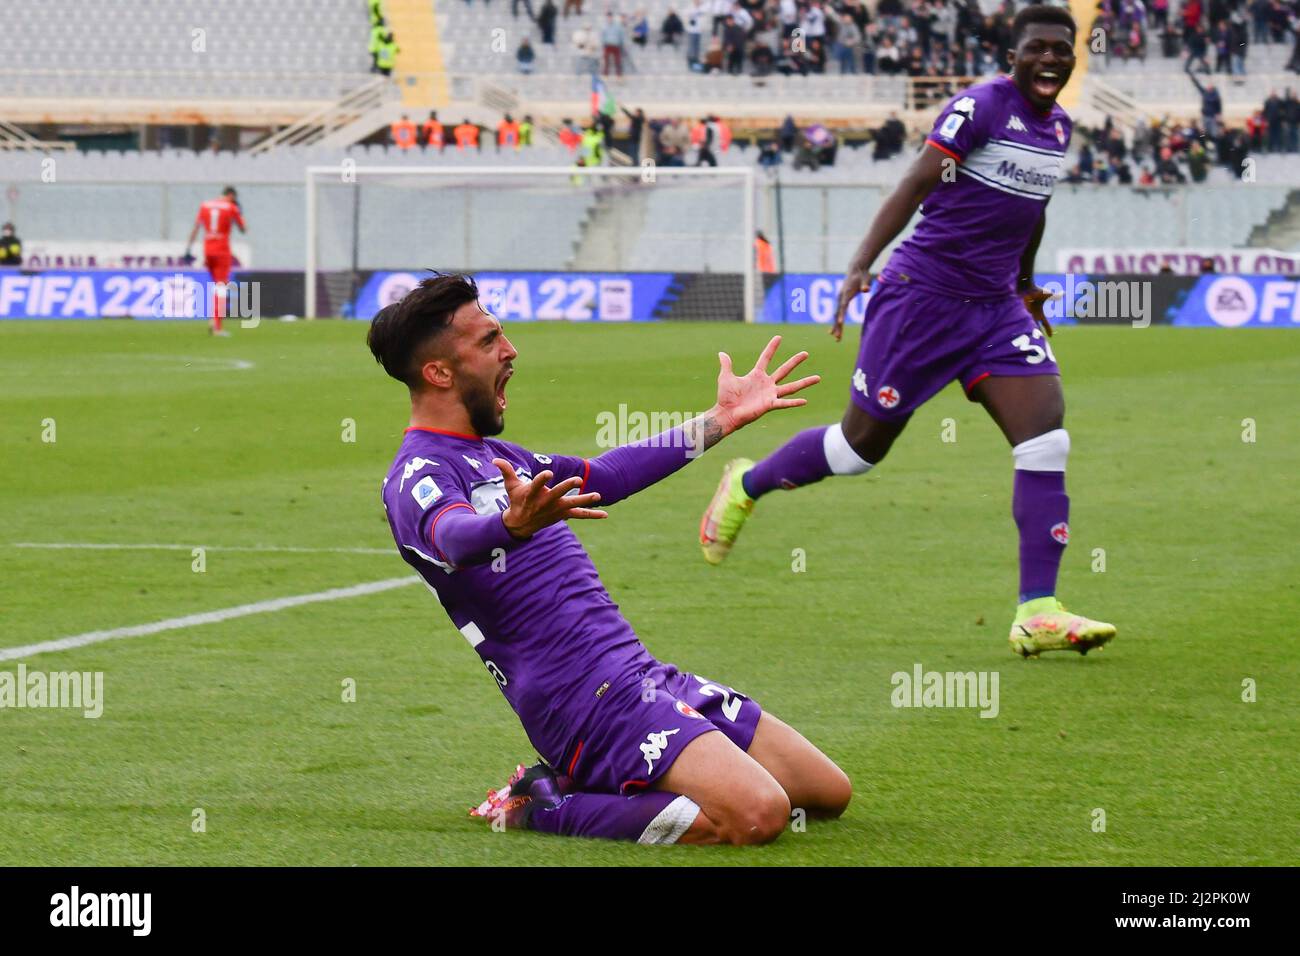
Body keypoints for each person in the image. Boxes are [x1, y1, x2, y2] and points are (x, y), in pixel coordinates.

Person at [699, 4, 1117, 660]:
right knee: (858, 450)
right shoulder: (981, 107)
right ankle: (747, 483)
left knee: (1046, 437)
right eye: (1037, 48)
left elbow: (1031, 211)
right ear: (1014, 57)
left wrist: (1027, 283)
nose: (1050, 59)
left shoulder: (1058, 128)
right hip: (922, 299)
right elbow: (916, 182)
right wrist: (860, 266)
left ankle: (1037, 608)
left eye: (1061, 50)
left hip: (995, 309)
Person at [369, 274, 847, 844]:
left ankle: (630, 778)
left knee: (825, 793)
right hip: (581, 706)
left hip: (639, 677)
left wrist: (722, 419)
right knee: (758, 815)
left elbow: (609, 476)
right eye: (489, 340)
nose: (511, 350)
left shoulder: (498, 456)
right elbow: (452, 536)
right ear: (439, 372)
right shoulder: (416, 474)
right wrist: (509, 525)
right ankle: (542, 804)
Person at [184, 187, 245, 336]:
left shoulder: (205, 205)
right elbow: (243, 228)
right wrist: (238, 212)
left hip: (208, 249)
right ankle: (217, 326)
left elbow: (196, 228)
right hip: (222, 250)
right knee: (221, 287)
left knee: (216, 286)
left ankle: (213, 320)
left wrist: (188, 249)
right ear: (231, 195)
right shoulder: (231, 207)